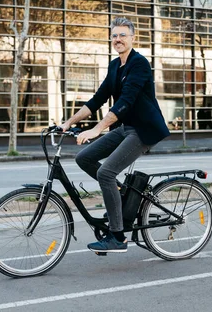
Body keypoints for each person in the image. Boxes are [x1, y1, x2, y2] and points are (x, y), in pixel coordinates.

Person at [59, 17, 170, 253]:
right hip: (125, 128)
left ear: (132, 38)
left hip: (143, 130)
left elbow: (125, 102)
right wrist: (68, 122)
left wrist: (96, 129)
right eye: (114, 36)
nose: (117, 39)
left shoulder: (139, 64)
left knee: (105, 172)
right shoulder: (113, 66)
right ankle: (120, 195)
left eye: (122, 35)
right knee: (84, 158)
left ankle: (118, 237)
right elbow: (97, 100)